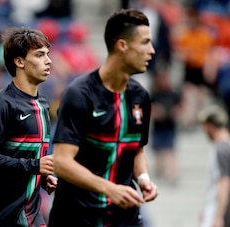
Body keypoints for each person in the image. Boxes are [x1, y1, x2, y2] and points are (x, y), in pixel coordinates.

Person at [48, 9, 158, 227]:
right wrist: (109, 188)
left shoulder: (140, 97)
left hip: (123, 217)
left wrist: (143, 178)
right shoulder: (79, 95)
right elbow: (61, 162)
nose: (152, 51)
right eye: (145, 43)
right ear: (122, 46)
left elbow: (136, 150)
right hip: (76, 216)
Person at [0, 27, 57, 227]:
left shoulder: (43, 104)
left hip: (30, 217)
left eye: (47, 54)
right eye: (40, 55)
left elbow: (25, 156)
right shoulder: (1, 103)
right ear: (19, 61)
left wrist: (42, 176)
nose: (48, 61)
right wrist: (34, 166)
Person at [198, 105, 230, 227]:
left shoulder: (221, 149)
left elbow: (225, 182)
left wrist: (218, 216)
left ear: (210, 125)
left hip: (221, 212)